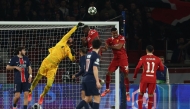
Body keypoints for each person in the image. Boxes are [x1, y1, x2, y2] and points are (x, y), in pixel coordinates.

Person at [28, 22, 84, 105]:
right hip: (46, 62)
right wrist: (76, 27)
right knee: (37, 78)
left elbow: (72, 59)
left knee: (49, 85)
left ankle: (42, 96)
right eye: (70, 38)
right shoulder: (62, 41)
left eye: (71, 39)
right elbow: (69, 33)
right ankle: (30, 92)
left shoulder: (68, 50)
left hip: (54, 67)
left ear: (71, 43)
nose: (70, 38)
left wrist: (76, 55)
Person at [101, 27, 130, 101]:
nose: (116, 34)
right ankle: (107, 89)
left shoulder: (122, 38)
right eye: (114, 33)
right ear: (111, 33)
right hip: (115, 59)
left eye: (116, 32)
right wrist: (100, 49)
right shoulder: (109, 40)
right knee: (108, 73)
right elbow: (106, 48)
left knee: (126, 74)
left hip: (123, 58)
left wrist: (110, 46)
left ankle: (127, 93)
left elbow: (119, 47)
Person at [76, 39, 102, 109]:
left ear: (92, 46)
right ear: (99, 47)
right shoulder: (96, 56)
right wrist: (97, 81)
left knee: (88, 98)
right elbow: (95, 68)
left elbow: (84, 67)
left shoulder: (87, 55)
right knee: (97, 98)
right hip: (91, 79)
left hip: (85, 78)